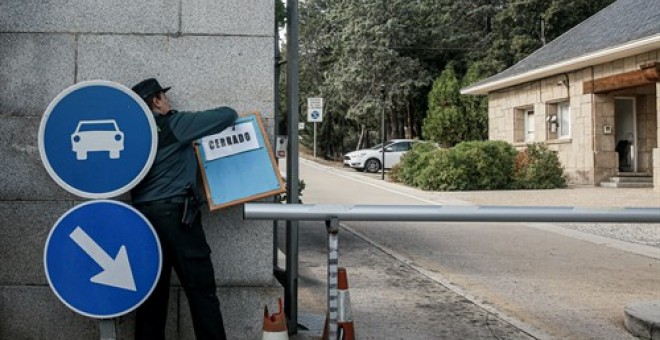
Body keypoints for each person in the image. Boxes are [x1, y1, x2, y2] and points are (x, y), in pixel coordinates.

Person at [130, 78, 237, 340]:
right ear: (156, 101)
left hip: (142, 220)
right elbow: (227, 115)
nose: (168, 102)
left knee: (151, 296)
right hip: (177, 218)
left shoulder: (133, 134)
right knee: (201, 291)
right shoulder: (173, 125)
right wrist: (177, 118)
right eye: (164, 98)